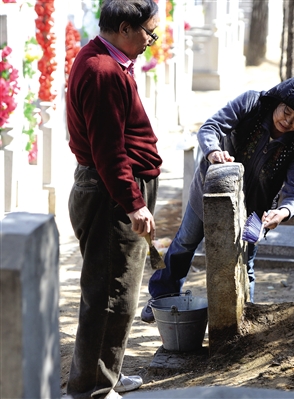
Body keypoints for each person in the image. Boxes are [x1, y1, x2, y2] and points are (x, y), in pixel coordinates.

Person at [141, 74, 294, 323]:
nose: (287, 121)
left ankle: (244, 318)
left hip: (257, 214)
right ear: (279, 100)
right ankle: (160, 297)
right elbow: (211, 128)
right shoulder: (251, 103)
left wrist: (282, 212)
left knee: (246, 262)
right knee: (184, 243)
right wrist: (214, 152)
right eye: (286, 112)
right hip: (209, 195)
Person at [66, 1, 162, 398]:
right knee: (110, 297)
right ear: (125, 27)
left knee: (115, 291)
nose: (151, 42)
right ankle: (92, 390)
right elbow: (108, 149)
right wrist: (133, 202)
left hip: (112, 192)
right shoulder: (103, 70)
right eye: (149, 33)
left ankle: (106, 375)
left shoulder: (103, 58)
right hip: (112, 196)